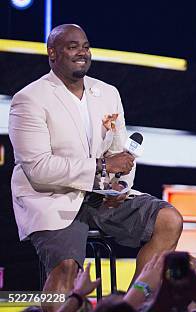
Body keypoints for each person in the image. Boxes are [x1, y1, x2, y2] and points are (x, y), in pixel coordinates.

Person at [8, 24, 183, 306]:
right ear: (52, 53)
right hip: (53, 197)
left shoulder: (108, 93)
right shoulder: (30, 99)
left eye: (86, 46)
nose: (82, 52)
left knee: (169, 220)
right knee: (67, 267)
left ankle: (130, 306)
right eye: (72, 46)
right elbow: (38, 168)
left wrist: (120, 187)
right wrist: (102, 167)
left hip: (103, 196)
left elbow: (120, 154)